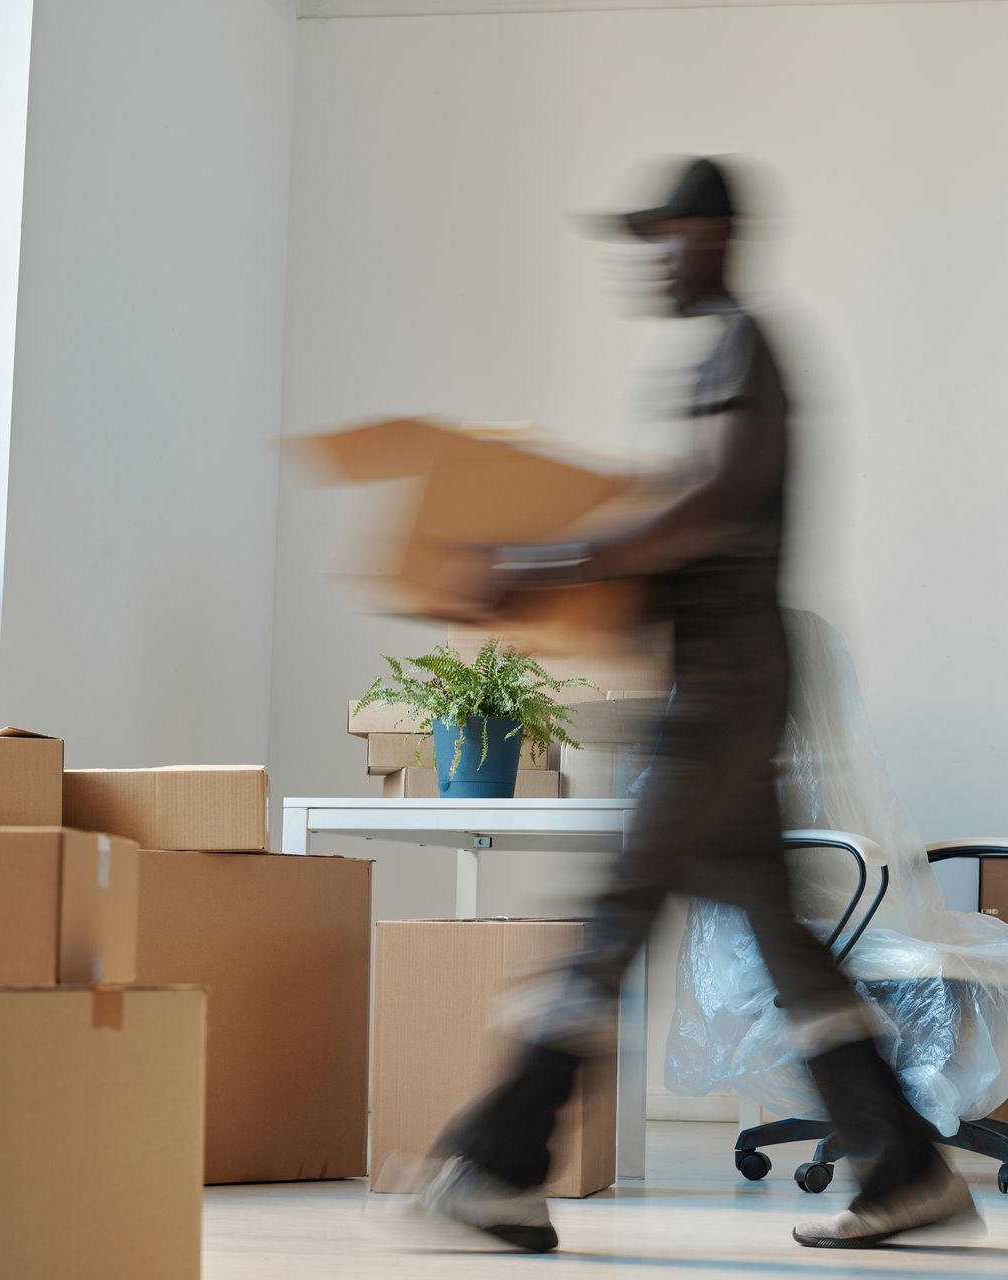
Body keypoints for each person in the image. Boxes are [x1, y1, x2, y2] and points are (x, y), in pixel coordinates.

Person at [415, 156, 978, 1253]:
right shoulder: (726, 355)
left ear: (715, 234)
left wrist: (549, 557)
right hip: (723, 683)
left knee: (617, 913)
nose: (653, 259)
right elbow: (686, 513)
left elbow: (712, 502)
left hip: (726, 693)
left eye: (666, 234)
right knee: (786, 943)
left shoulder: (744, 348)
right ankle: (906, 1166)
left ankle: (499, 1158)